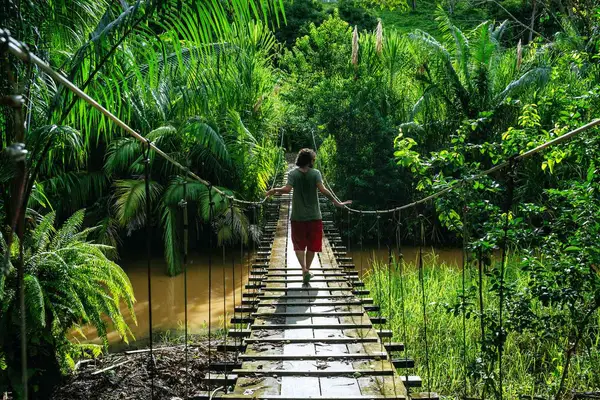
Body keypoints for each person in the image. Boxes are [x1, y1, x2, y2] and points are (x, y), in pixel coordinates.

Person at [266, 148, 352, 283]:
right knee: (312, 245)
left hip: (297, 216)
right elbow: (323, 190)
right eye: (313, 159)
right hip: (314, 216)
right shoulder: (316, 173)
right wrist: (336, 202)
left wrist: (274, 190)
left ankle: (304, 269)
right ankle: (307, 270)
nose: (314, 161)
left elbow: (287, 189)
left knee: (299, 245)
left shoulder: (293, 173)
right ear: (310, 160)